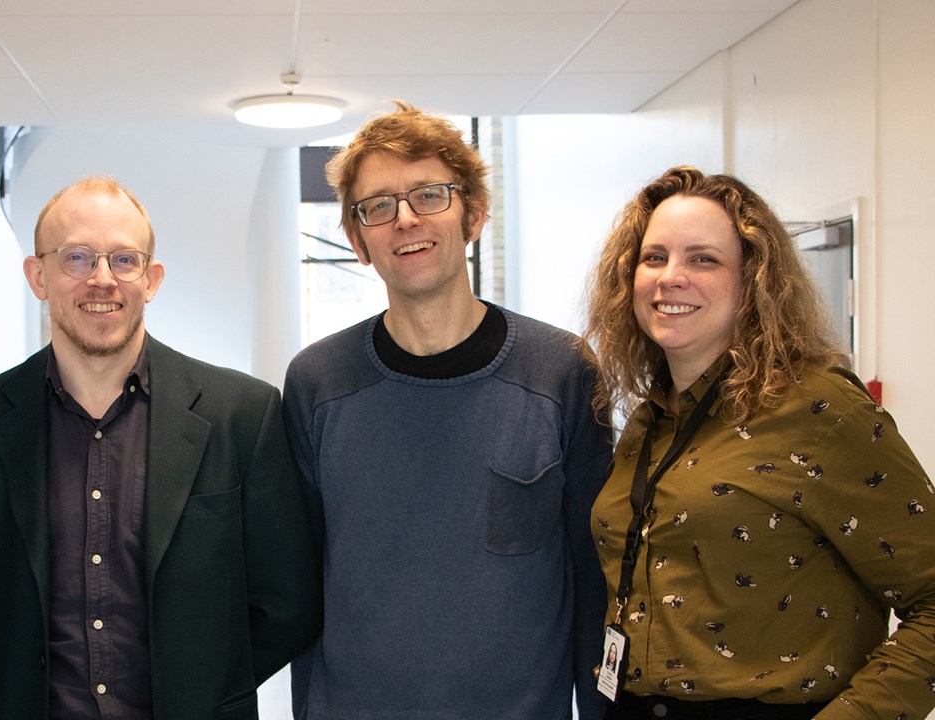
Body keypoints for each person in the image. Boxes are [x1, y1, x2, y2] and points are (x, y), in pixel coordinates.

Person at [0, 176, 322, 720]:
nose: (102, 280)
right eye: (77, 258)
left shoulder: (242, 413)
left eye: (123, 260)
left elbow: (289, 601)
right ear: (37, 276)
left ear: (152, 279)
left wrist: (199, 685)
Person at [283, 101, 611, 719]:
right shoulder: (317, 382)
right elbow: (299, 584)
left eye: (430, 195)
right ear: (357, 240)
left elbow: (594, 577)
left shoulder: (560, 371)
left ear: (475, 215)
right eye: (378, 206)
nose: (405, 219)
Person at [583, 166, 935, 719]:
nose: (671, 277)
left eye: (704, 259)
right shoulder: (651, 418)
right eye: (655, 257)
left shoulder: (819, 409)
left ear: (753, 280)